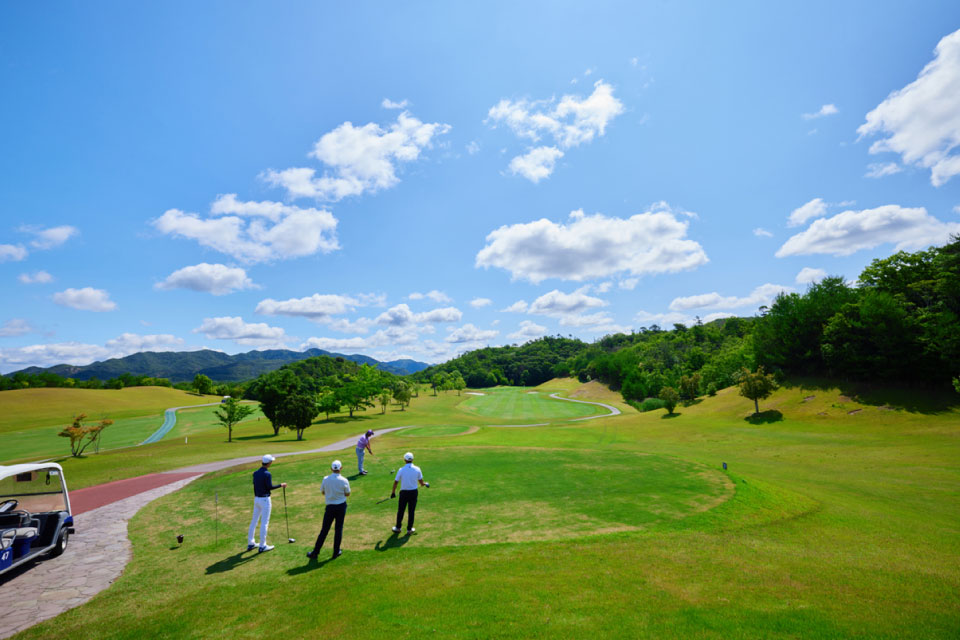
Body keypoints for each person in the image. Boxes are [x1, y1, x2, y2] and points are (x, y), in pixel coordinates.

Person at [307, 459, 351, 560]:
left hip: (330, 507)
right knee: (338, 529)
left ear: (331, 468)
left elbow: (322, 492)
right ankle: (336, 552)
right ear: (341, 468)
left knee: (324, 530)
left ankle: (315, 552)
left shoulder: (325, 479)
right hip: (341, 506)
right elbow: (347, 494)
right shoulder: (344, 480)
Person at [248, 454, 286, 553]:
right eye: (271, 461)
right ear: (268, 463)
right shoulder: (267, 474)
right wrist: (281, 485)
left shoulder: (255, 473)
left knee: (254, 521)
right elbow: (270, 487)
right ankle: (262, 546)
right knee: (264, 523)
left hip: (256, 499)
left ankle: (251, 543)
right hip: (265, 500)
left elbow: (256, 485)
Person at [391, 451, 428, 535]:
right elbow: (421, 483)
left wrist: (393, 492)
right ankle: (409, 529)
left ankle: (398, 528)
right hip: (413, 493)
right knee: (411, 511)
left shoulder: (401, 470)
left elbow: (396, 482)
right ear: (412, 459)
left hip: (403, 493)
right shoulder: (417, 469)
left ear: (405, 460)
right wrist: (424, 484)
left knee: (401, 510)